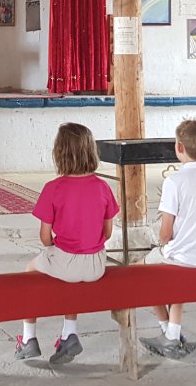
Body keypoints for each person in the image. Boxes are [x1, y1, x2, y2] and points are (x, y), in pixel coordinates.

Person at [14, 123, 119, 365]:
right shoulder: (102, 187)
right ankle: (68, 333)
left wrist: (55, 245)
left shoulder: (53, 188)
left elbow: (44, 237)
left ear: (59, 153)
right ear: (91, 152)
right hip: (96, 264)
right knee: (72, 278)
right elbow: (108, 231)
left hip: (66, 260)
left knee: (29, 274)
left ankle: (29, 338)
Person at [140, 119, 196, 358]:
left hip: (188, 257)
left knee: (140, 274)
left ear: (179, 147)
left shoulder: (175, 181)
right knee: (175, 268)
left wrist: (163, 245)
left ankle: (168, 334)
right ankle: (172, 335)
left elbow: (165, 233)